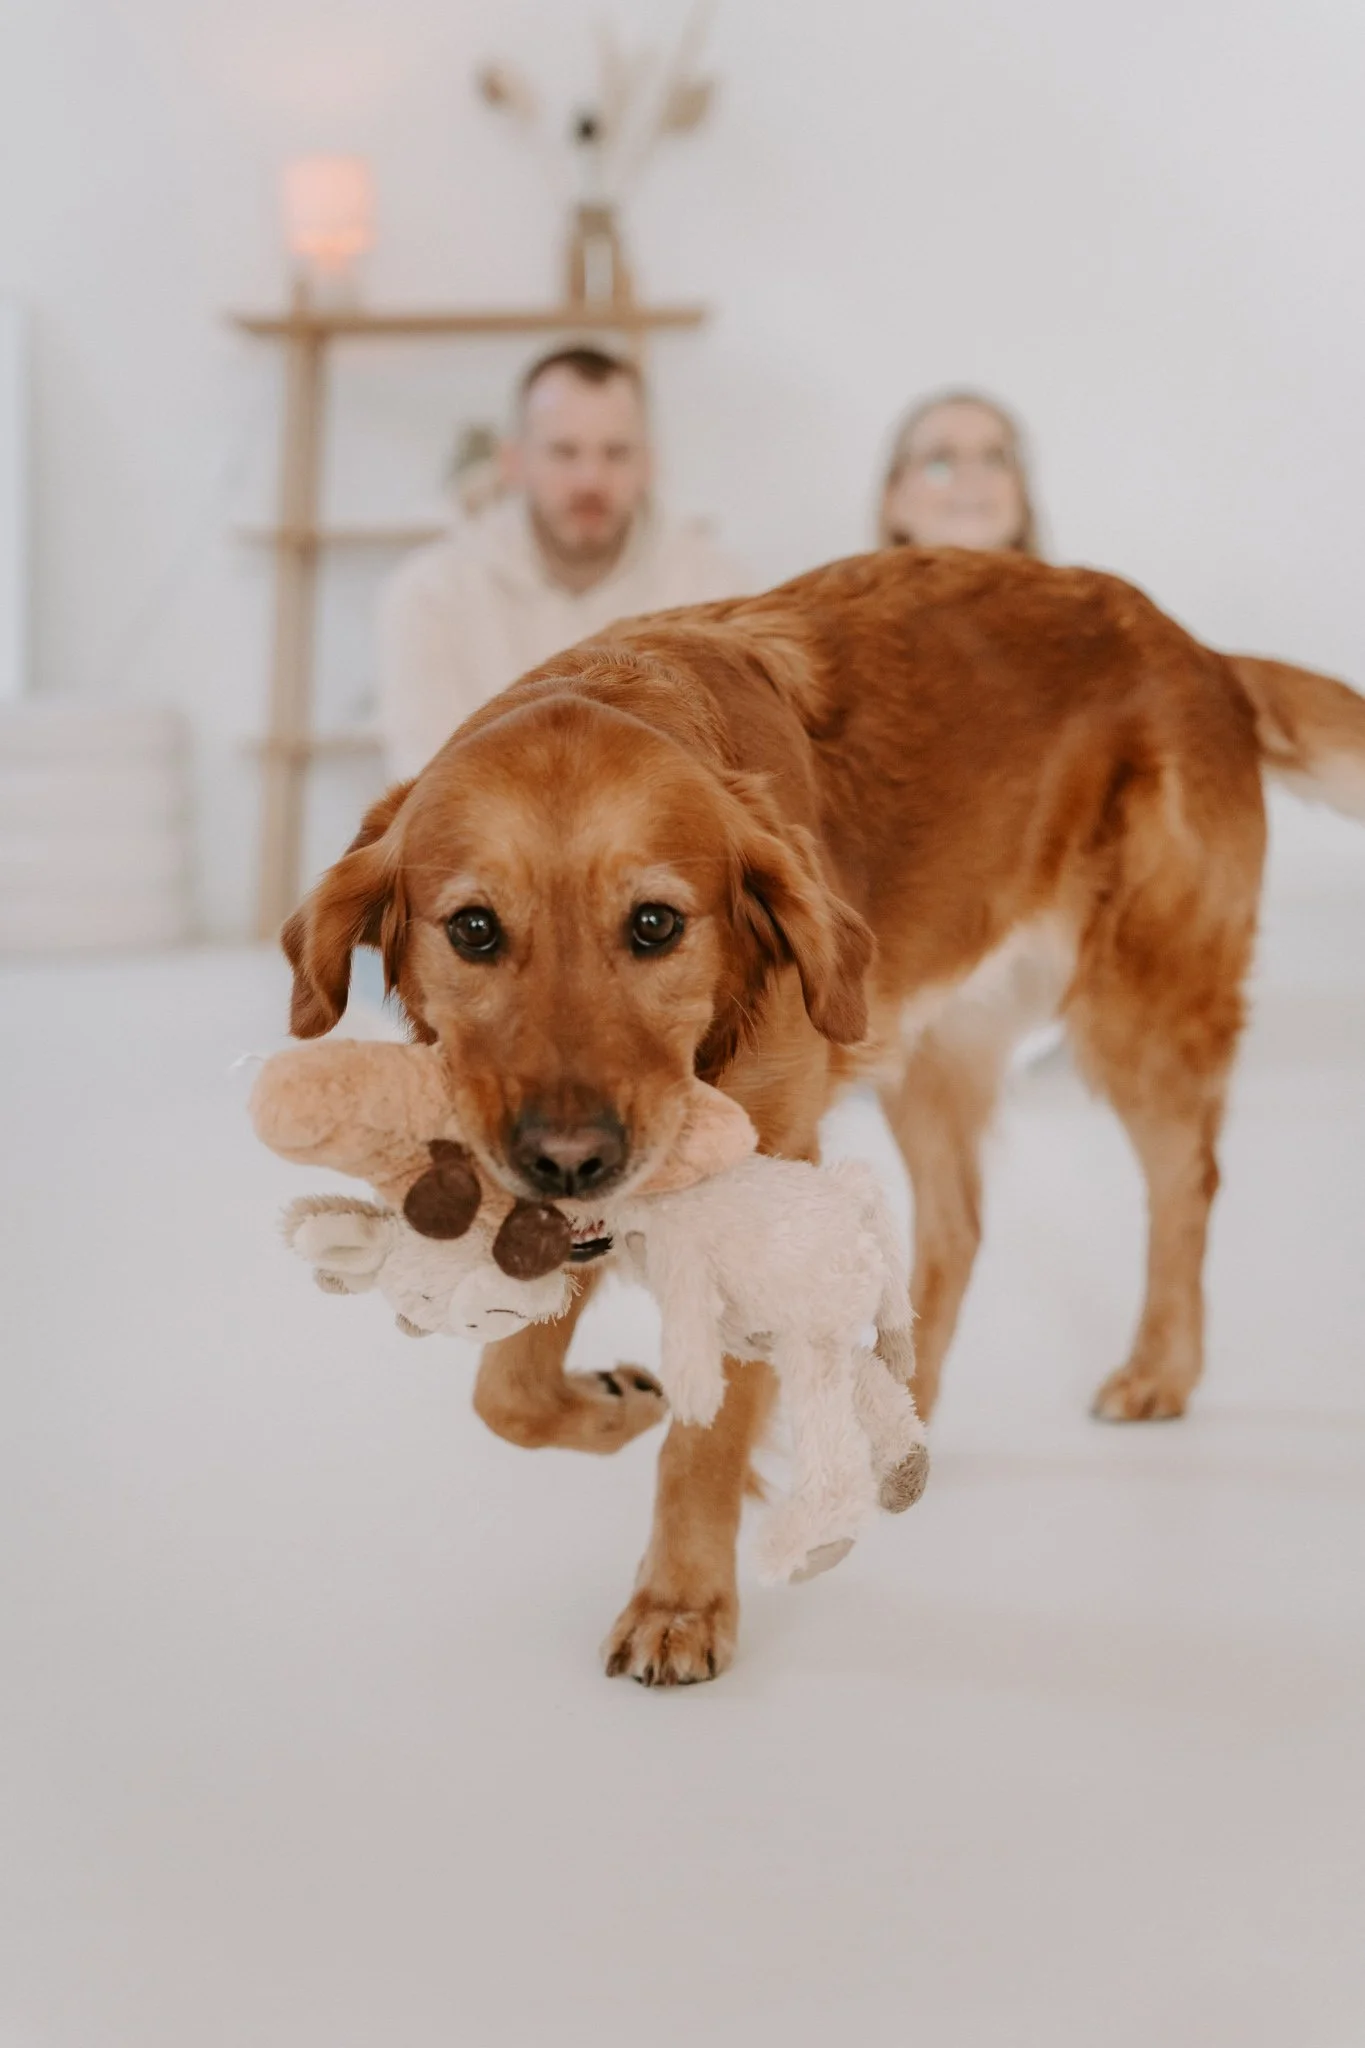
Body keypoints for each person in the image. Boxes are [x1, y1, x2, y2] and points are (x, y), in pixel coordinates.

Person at [377, 345, 747, 779]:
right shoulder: (430, 596)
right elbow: (428, 792)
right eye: (564, 452)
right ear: (514, 463)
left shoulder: (719, 592)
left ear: (648, 465)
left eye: (615, 453)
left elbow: (731, 782)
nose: (590, 479)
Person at [877, 390, 1040, 555]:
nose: (972, 476)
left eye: (993, 459)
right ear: (893, 498)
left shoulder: (1065, 581)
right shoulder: (852, 580)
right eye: (940, 460)